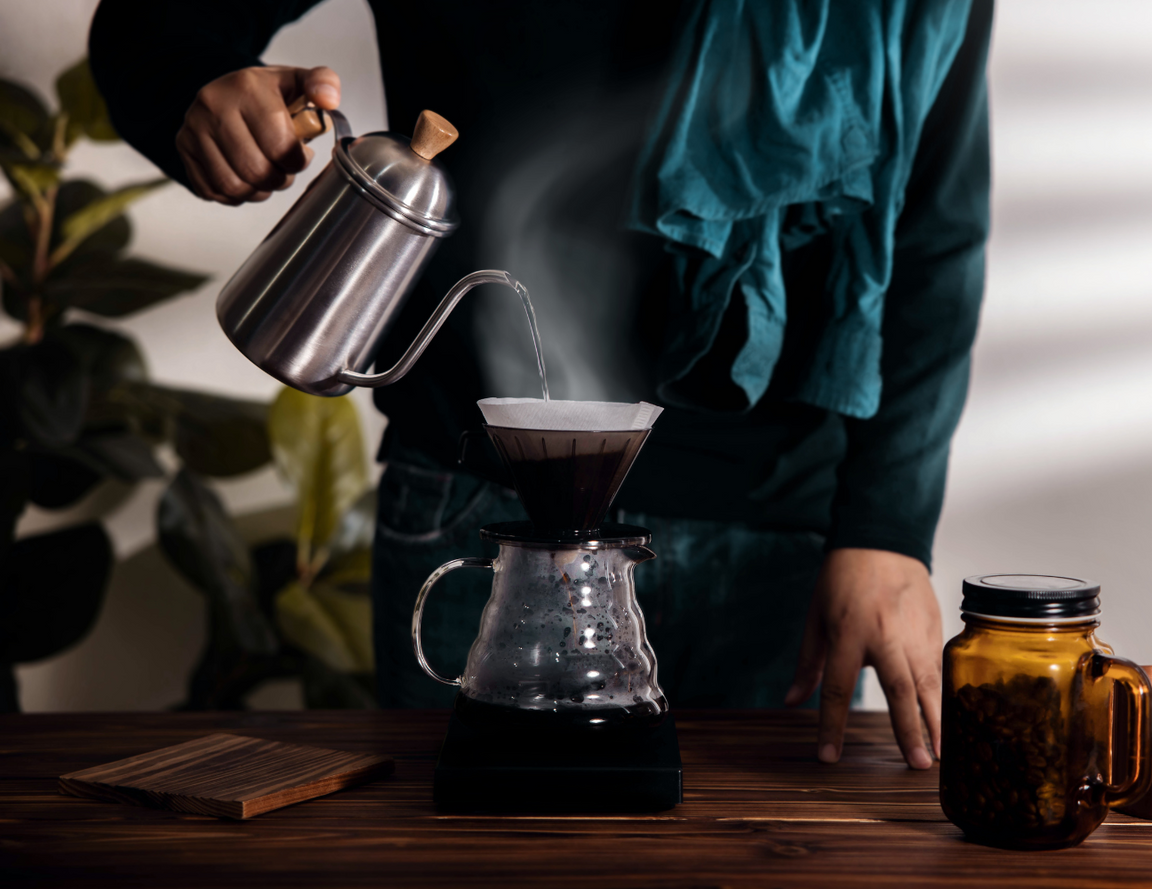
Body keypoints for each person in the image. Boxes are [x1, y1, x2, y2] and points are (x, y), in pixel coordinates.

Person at [89, 0, 991, 770]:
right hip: (476, 513)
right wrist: (203, 94)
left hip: (786, 553)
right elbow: (152, 29)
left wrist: (888, 530)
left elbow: (935, 232)